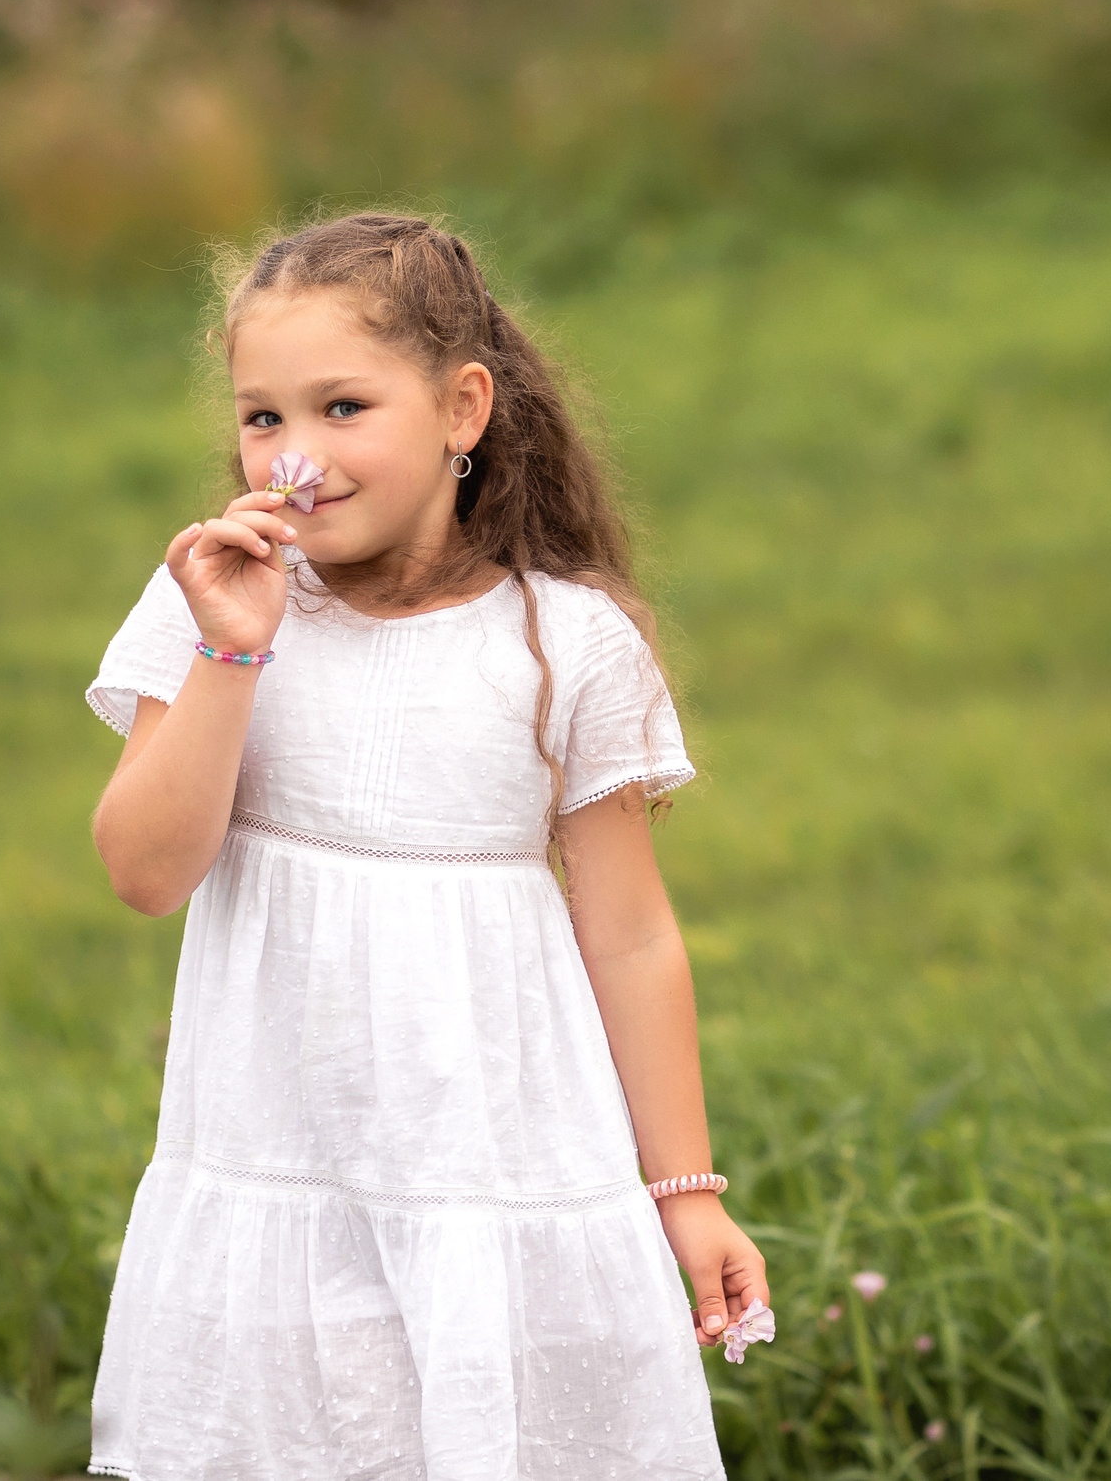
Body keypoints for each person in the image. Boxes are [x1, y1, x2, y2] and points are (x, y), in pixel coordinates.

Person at [82, 213, 768, 1481]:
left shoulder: (566, 641)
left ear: (462, 409)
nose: (294, 455)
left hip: (493, 1174)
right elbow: (145, 871)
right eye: (263, 417)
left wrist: (687, 1192)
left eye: (343, 407)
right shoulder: (212, 603)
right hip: (283, 1168)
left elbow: (629, 936)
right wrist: (232, 649)